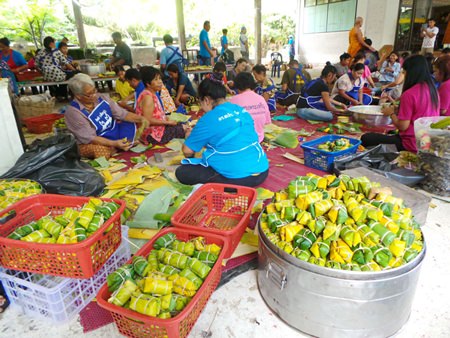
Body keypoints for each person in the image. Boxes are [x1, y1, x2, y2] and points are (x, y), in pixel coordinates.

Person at [175, 77, 269, 187]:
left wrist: (188, 137)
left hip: (240, 178)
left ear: (206, 100)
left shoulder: (208, 118)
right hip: (262, 171)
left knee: (182, 172)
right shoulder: (240, 110)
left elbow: (187, 151)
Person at [361, 55, 440, 152]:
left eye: (404, 72)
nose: (404, 74)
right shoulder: (433, 90)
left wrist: (391, 113)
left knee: (366, 138)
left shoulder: (410, 94)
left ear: (410, 72)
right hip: (428, 141)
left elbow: (403, 126)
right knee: (389, 133)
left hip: (410, 144)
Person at [65, 73, 147, 159]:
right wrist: (114, 143)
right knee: (101, 151)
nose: (94, 95)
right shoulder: (73, 112)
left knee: (133, 126)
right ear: (78, 96)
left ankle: (118, 146)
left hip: (112, 131)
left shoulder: (101, 98)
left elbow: (122, 114)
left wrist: (140, 119)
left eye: (94, 90)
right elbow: (90, 138)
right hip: (93, 142)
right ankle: (116, 147)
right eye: (89, 94)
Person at [135, 66, 189, 145]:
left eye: (160, 78)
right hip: (152, 135)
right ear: (148, 83)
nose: (160, 82)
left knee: (184, 124)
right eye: (156, 80)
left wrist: (166, 119)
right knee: (186, 129)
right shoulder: (148, 97)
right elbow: (147, 120)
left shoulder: (152, 93)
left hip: (159, 129)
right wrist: (167, 123)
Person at [230, 72, 271, 142]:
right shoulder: (261, 99)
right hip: (259, 139)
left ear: (237, 85)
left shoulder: (233, 100)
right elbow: (267, 122)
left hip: (241, 141)